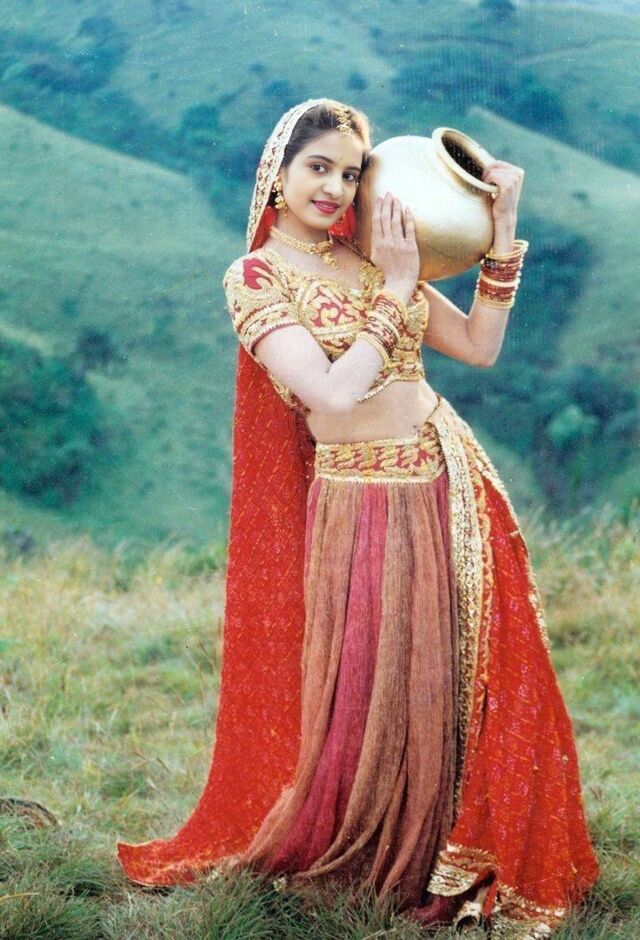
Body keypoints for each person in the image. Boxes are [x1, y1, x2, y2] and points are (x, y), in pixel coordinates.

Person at [116, 98, 600, 937]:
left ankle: (454, 843)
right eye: (318, 168)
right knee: (375, 681)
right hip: (360, 496)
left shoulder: (373, 259)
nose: (336, 188)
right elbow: (331, 394)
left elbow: (480, 347)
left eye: (349, 173)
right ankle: (380, 848)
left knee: (459, 674)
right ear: (277, 175)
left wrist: (503, 231)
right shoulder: (256, 279)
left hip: (448, 480)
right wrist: (399, 292)